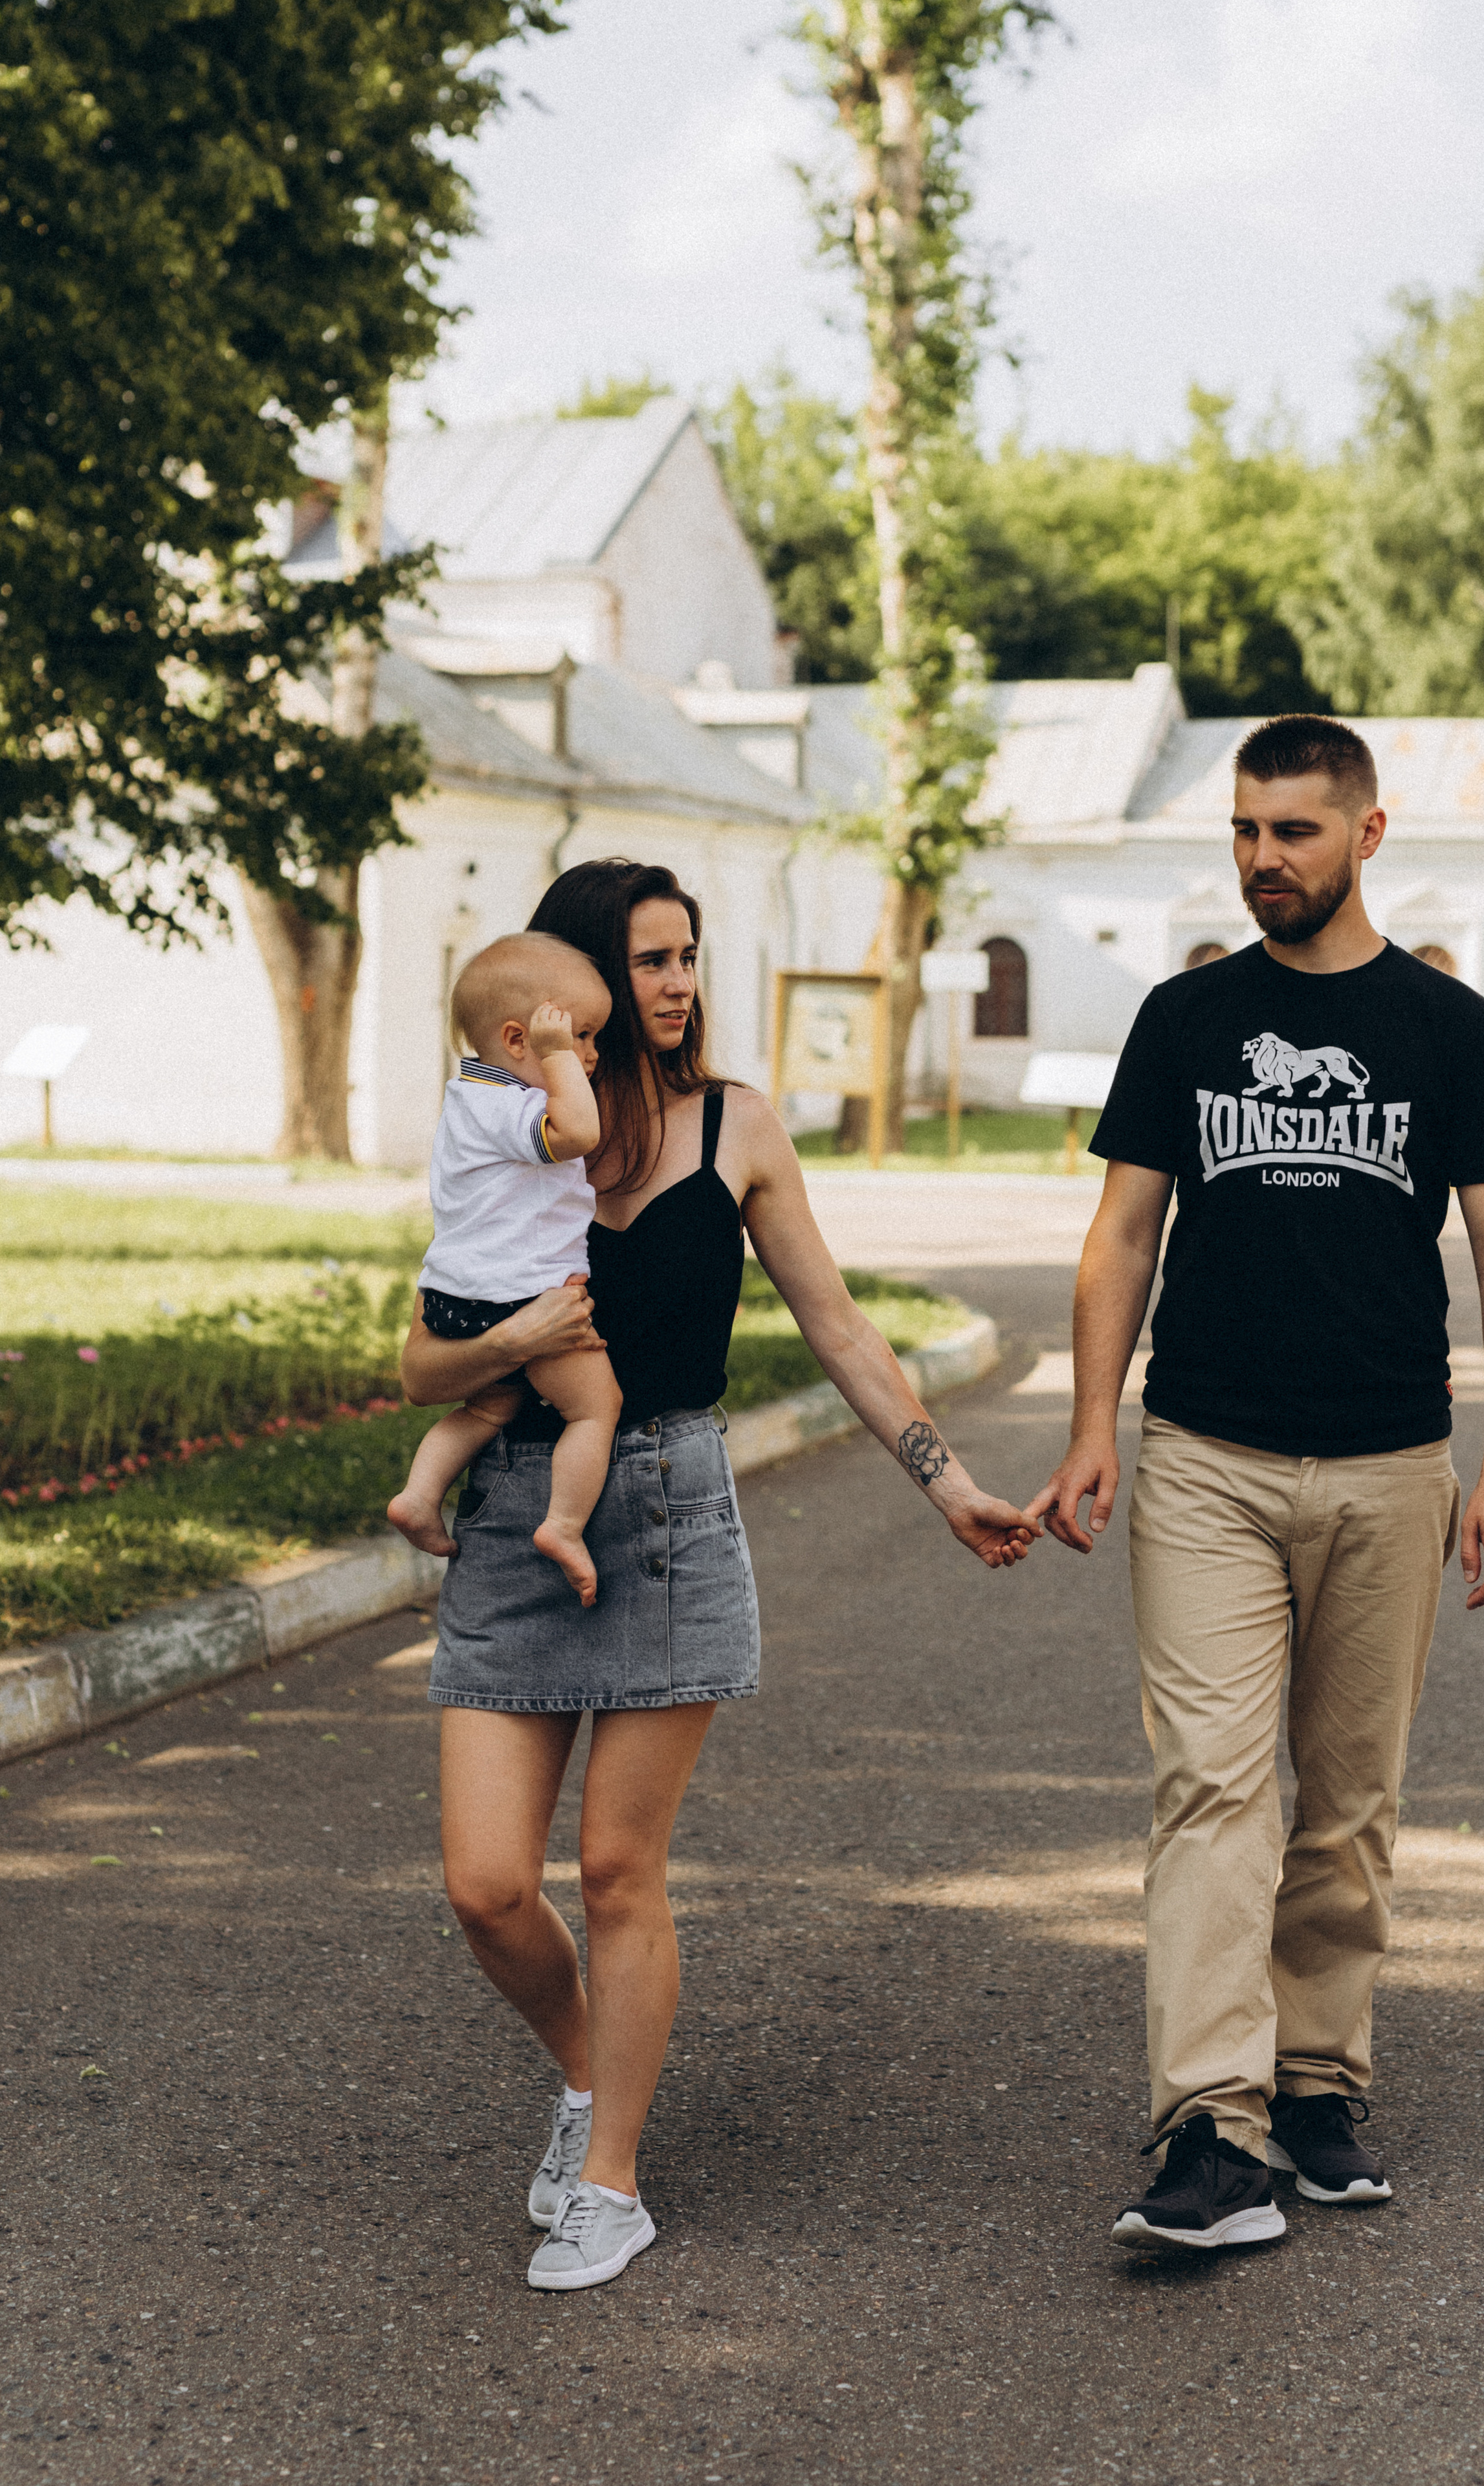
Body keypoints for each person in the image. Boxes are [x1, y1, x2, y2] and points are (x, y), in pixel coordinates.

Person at [400, 857, 1034, 2292]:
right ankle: (591, 2077)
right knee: (487, 1886)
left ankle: (610, 2180)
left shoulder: (733, 1128)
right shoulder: (507, 1128)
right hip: (517, 1514)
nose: (677, 983)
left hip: (670, 1510)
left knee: (618, 1870)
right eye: (645, 960)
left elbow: (839, 1328)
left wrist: (944, 1484)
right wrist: (510, 1349)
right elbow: (424, 1358)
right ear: (560, 995)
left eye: (686, 955)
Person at [1029, 715, 1484, 2252]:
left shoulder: (1444, 1029)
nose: (1263, 860)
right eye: (1246, 832)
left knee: (1348, 1801)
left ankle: (1315, 2082)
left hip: (1390, 1461)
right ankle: (1210, 2123)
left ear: (1365, 836)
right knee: (1208, 1784)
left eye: (1293, 833)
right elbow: (1120, 1236)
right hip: (1204, 1456)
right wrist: (1086, 1426)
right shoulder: (1185, 1020)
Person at [386, 932, 623, 1606]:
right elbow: (579, 1134)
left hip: (455, 1296)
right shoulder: (513, 1107)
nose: (592, 1056)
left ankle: (420, 1493)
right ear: (519, 1042)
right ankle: (564, 1526)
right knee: (595, 1408)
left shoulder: (466, 1099)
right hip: (520, 1299)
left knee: (489, 1404)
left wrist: (559, 1052)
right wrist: (559, 1064)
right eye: (581, 1037)